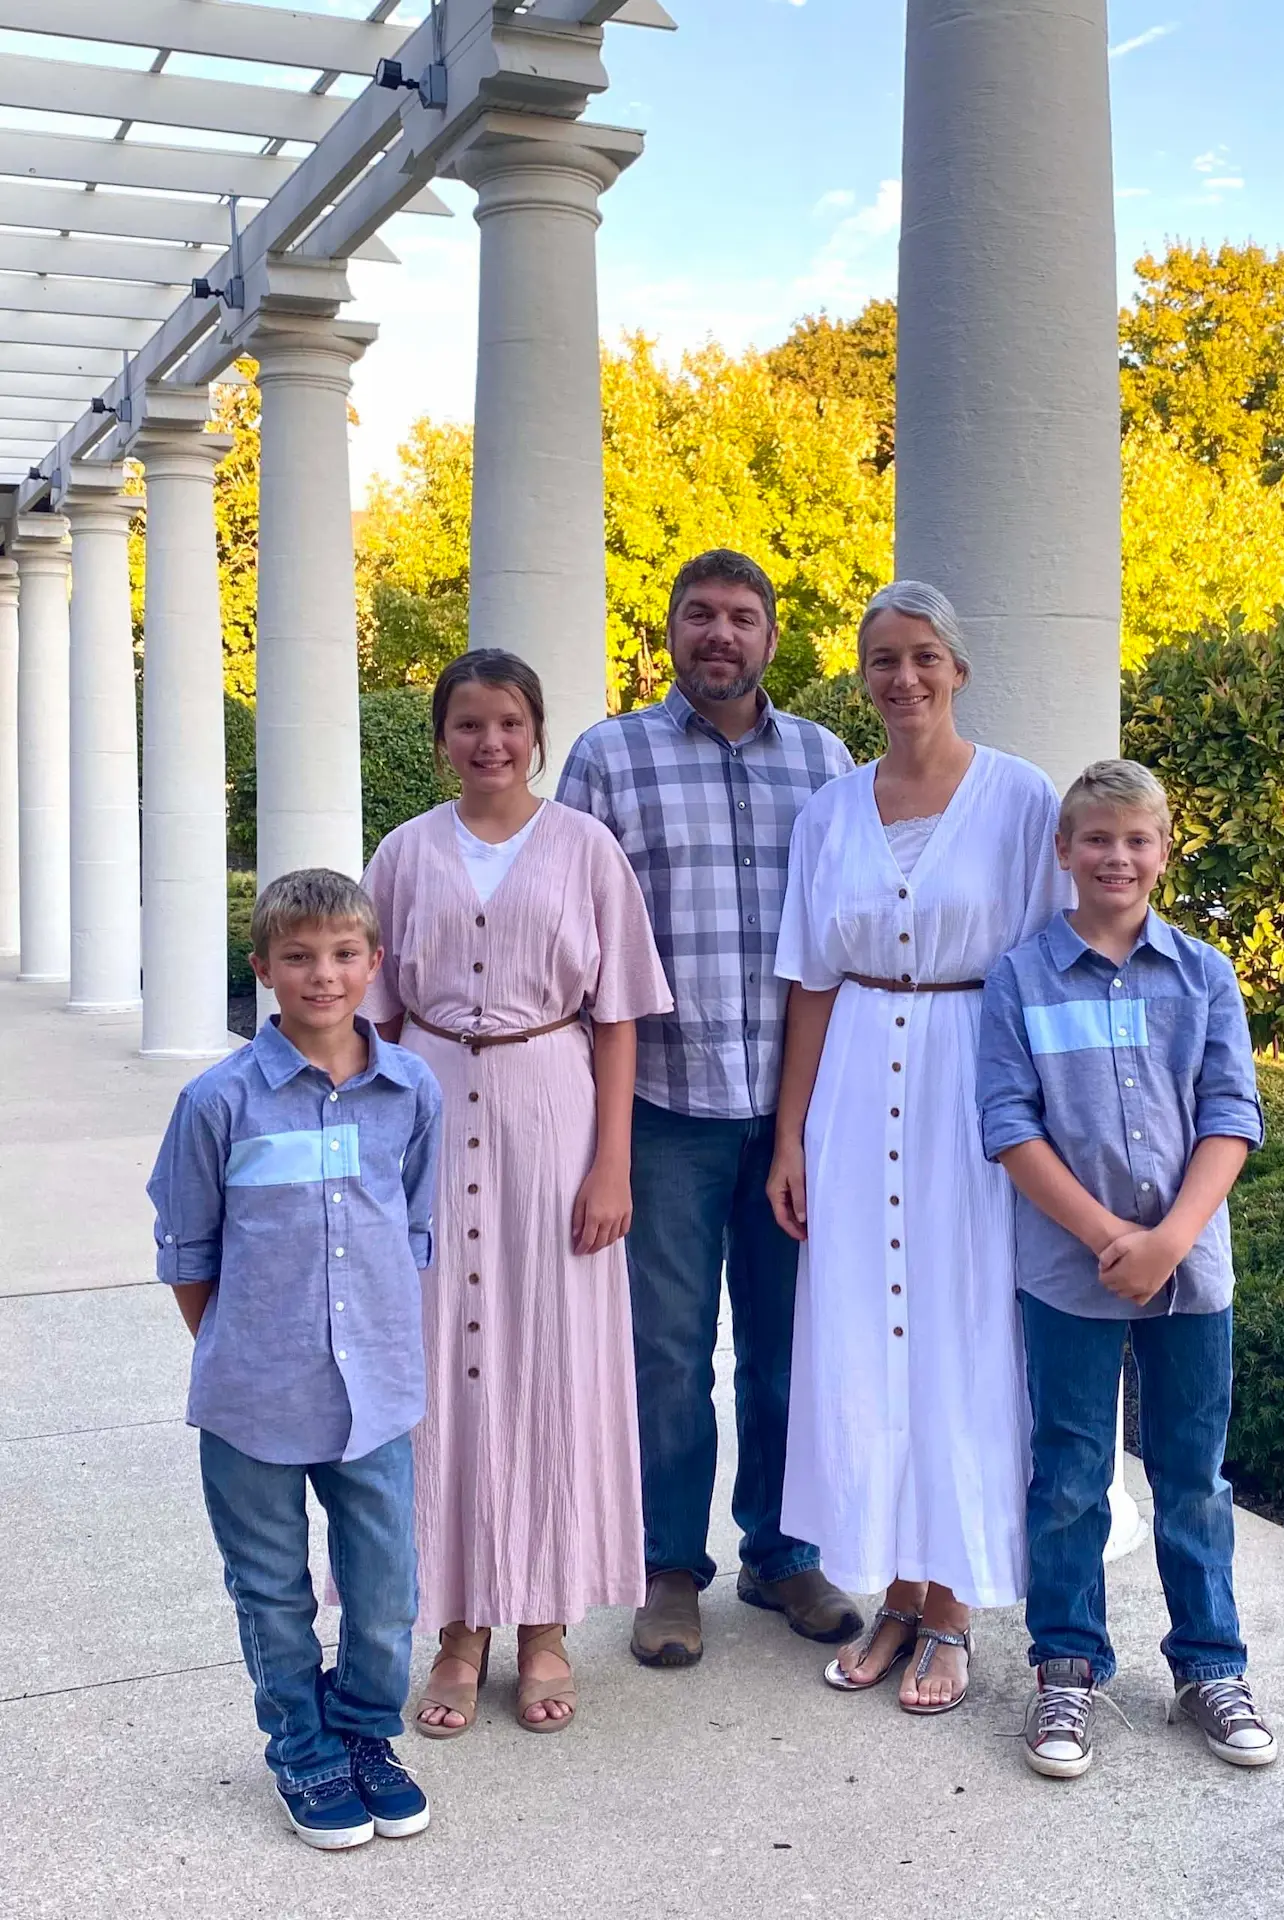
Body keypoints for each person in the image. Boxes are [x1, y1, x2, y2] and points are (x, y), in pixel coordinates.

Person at [766, 579, 1071, 1713]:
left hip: (970, 1084)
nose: (904, 678)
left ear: (959, 669)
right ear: (862, 674)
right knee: (865, 1334)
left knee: (960, 1332)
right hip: (852, 1083)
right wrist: (790, 1135)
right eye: (883, 659)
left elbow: (1053, 963)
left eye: (924, 657)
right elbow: (809, 978)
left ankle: (952, 1605)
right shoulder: (831, 811)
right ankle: (894, 1590)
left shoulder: (1022, 799)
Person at [557, 549, 862, 1667]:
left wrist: (807, 1119)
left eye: (742, 617)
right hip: (665, 1109)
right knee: (670, 1354)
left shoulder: (826, 764)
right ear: (671, 632)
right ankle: (669, 1568)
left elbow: (839, 935)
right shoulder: (609, 760)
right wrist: (601, 1135)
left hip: (792, 1111)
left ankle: (783, 1554)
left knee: (786, 1347)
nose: (720, 635)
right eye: (700, 616)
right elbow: (572, 934)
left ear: (772, 637)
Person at [361, 649, 671, 1735]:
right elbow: (378, 1018)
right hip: (434, 1111)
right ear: (442, 736)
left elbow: (621, 1014)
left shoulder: (586, 849)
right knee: (441, 1364)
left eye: (509, 724)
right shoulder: (402, 854)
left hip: (555, 1113)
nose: (490, 743)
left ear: (538, 732)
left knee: (552, 1362)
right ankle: (457, 1626)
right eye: (468, 725)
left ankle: (541, 1622)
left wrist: (612, 1162)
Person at [976, 758, 1276, 1777]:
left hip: (1193, 1275)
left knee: (1193, 1476)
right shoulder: (1020, 978)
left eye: (1136, 840)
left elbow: (1231, 1115)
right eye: (1097, 838)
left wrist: (1169, 1241)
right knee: (1068, 1474)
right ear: (1064, 851)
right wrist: (1112, 1237)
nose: (1117, 856)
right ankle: (1066, 1667)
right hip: (1070, 1275)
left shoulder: (1204, 974)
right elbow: (1009, 1124)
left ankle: (1210, 1663)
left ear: (1163, 852)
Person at [148, 869, 442, 1850]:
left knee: (386, 1582)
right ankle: (300, 1744)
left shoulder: (409, 1091)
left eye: (344, 954)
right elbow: (190, 1254)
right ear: (264, 968)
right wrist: (242, 1347)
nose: (324, 974)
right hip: (253, 1401)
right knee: (271, 1586)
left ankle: (361, 1729)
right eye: (301, 957)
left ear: (373, 964)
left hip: (378, 1390)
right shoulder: (217, 1101)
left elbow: (411, 1225)